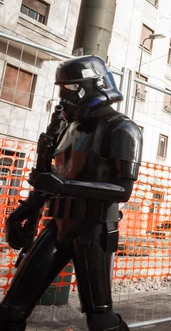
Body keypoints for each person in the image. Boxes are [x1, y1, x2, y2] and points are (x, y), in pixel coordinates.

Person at [0, 56, 143, 331]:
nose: (64, 97)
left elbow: (122, 191)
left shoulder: (123, 129)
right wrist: (22, 212)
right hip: (58, 225)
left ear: (94, 85)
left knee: (99, 317)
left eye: (72, 89)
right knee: (11, 309)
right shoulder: (67, 127)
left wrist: (63, 187)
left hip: (94, 230)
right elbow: (49, 177)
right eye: (62, 88)